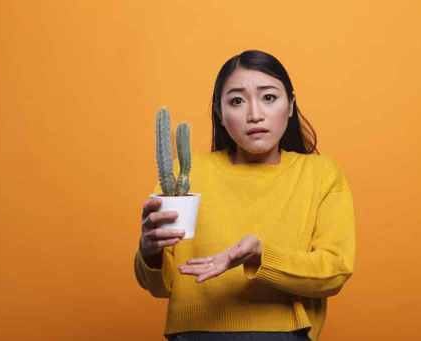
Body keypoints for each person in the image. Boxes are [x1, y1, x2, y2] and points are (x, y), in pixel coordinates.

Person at [134, 50, 356, 341]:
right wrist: (150, 252)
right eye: (237, 101)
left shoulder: (321, 173)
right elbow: (158, 286)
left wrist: (260, 256)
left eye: (269, 98)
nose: (254, 114)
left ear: (290, 105)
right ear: (220, 113)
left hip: (284, 334)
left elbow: (335, 270)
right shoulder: (183, 175)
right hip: (193, 334)